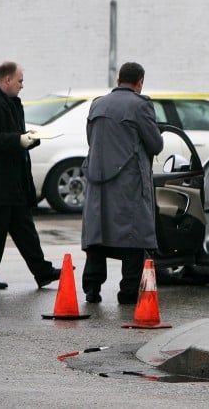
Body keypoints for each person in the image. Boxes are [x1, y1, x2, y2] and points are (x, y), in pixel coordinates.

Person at [0, 62, 62, 290]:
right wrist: (17, 140)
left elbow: (10, 136)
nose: (22, 85)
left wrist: (29, 138)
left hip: (11, 179)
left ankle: (42, 272)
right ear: (7, 80)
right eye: (19, 80)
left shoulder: (10, 103)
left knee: (23, 226)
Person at [81, 62, 164, 304]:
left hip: (98, 181)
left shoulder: (98, 104)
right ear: (140, 82)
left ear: (118, 80)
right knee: (133, 238)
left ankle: (92, 290)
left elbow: (92, 140)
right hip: (128, 184)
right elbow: (155, 144)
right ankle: (127, 293)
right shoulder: (141, 105)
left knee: (97, 236)